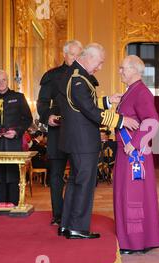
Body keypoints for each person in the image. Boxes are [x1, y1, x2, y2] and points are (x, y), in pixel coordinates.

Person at [56, 43, 139, 239]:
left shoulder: (75, 75)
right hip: (83, 142)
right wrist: (120, 120)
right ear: (89, 58)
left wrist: (108, 101)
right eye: (100, 63)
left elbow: (82, 104)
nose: (100, 67)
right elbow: (90, 111)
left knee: (75, 182)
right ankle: (78, 228)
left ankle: (66, 225)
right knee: (84, 184)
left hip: (75, 141)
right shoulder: (78, 79)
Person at [114, 55, 159, 254]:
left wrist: (134, 144)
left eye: (122, 68)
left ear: (133, 70)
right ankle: (138, 240)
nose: (120, 71)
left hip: (134, 155)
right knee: (127, 196)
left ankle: (134, 243)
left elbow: (152, 121)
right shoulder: (130, 92)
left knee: (132, 197)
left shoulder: (141, 92)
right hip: (126, 151)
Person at [37, 40, 83, 226]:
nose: (75, 58)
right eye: (72, 54)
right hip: (57, 131)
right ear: (64, 54)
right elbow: (42, 102)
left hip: (78, 132)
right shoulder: (52, 76)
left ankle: (74, 213)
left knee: (78, 174)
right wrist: (47, 116)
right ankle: (57, 215)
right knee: (56, 175)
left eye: (79, 54)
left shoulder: (85, 76)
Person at [0, 70, 33, 205]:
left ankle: (14, 206)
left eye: (3, 80)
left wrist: (17, 132)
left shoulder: (19, 97)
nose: (1, 83)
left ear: (8, 81)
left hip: (13, 142)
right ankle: (0, 206)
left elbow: (28, 119)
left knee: (13, 174)